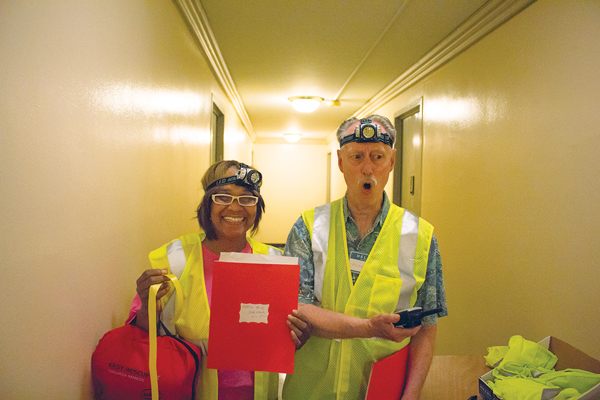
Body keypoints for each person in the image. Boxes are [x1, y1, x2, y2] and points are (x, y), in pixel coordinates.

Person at [282, 115, 447, 400]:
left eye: (378, 157)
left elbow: (426, 328)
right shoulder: (309, 226)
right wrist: (368, 328)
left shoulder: (420, 236)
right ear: (341, 162)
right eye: (357, 156)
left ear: (392, 162)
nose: (367, 168)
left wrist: (412, 395)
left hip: (382, 391)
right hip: (311, 390)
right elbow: (296, 304)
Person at [127, 160, 312, 400]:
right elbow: (140, 335)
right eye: (223, 197)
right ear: (207, 204)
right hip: (190, 393)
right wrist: (146, 302)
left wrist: (297, 334)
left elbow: (282, 335)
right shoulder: (174, 259)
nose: (235, 208)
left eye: (247, 198)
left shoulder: (274, 261)